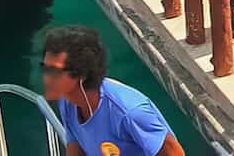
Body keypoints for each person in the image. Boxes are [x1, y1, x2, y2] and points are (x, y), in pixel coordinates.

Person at [40, 25, 184, 156]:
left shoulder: (129, 112)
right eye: (44, 68)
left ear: (82, 73)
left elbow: (173, 153)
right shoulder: (67, 102)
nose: (46, 77)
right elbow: (75, 149)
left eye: (54, 71)